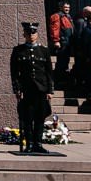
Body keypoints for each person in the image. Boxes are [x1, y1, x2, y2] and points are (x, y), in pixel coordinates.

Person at [10, 22, 55, 154]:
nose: (31, 36)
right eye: (29, 33)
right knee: (27, 117)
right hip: (27, 89)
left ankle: (38, 143)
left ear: (37, 34)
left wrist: (50, 90)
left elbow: (49, 72)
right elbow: (14, 73)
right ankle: (29, 143)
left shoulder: (44, 51)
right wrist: (17, 89)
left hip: (41, 89)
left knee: (40, 117)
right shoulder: (18, 50)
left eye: (33, 33)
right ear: (24, 34)